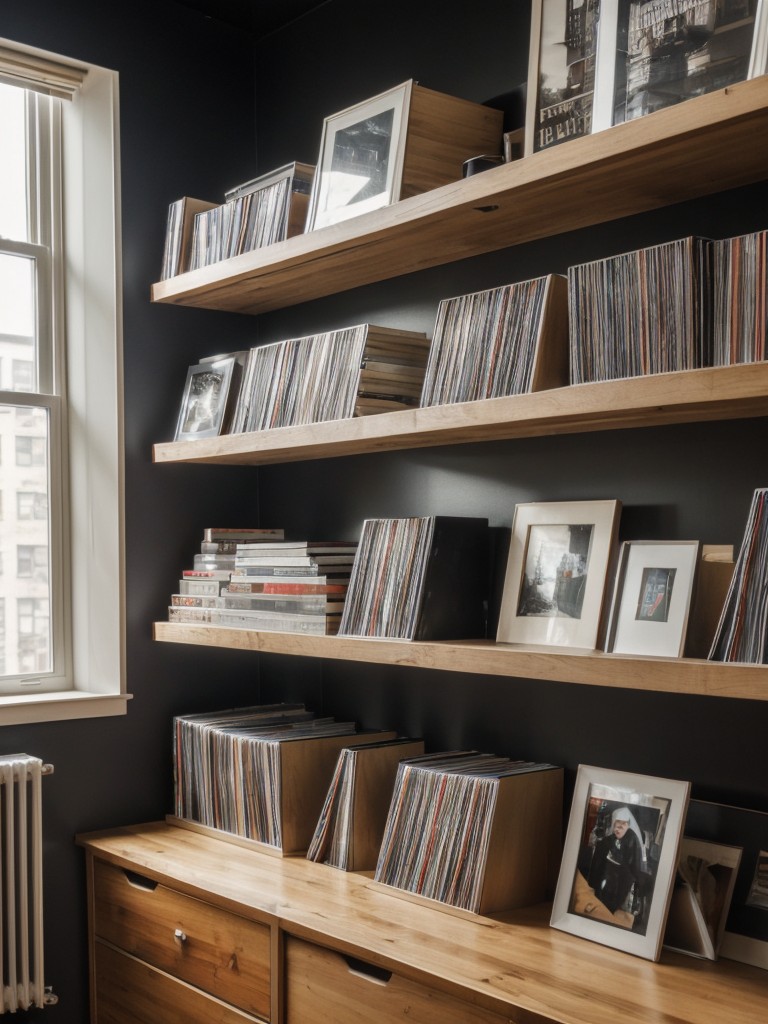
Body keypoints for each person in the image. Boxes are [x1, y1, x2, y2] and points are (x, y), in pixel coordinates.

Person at [586, 805, 645, 916]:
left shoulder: (632, 841)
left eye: (621, 827)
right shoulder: (608, 840)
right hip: (607, 876)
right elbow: (600, 860)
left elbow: (633, 867)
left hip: (622, 877)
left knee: (611, 904)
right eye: (616, 826)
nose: (617, 830)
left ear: (627, 826)